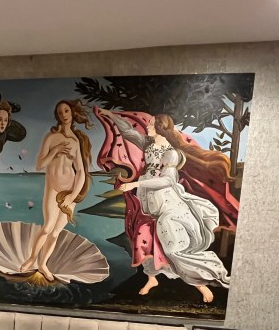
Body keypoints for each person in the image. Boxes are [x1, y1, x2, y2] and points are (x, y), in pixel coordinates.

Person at [99, 108, 231, 301]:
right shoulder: (148, 144)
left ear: (161, 128)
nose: (148, 126)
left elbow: (167, 181)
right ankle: (152, 278)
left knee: (173, 249)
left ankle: (203, 283)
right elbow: (128, 133)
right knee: (143, 237)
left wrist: (136, 183)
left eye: (152, 124)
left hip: (168, 203)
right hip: (149, 203)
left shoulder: (171, 153)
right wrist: (111, 116)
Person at [20, 100, 93, 282]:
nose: (63, 114)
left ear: (72, 113)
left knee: (55, 232)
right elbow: (39, 165)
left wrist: (72, 196)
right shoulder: (51, 138)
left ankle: (43, 264)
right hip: (53, 188)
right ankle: (31, 259)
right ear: (57, 116)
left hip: (70, 191)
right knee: (47, 227)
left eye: (66, 111)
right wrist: (57, 150)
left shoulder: (76, 141)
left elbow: (81, 173)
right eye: (60, 112)